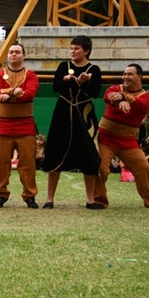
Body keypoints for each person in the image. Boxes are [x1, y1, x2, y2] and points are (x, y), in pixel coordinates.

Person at [93, 64, 149, 208]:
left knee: (144, 168)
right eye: (124, 73)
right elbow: (108, 97)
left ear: (139, 77)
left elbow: (141, 105)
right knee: (100, 168)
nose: (126, 76)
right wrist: (120, 100)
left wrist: (124, 97)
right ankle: (99, 200)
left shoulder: (147, 98)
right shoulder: (115, 88)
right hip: (105, 137)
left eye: (130, 74)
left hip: (128, 140)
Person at [42, 35, 102, 209]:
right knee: (55, 151)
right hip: (63, 112)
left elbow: (94, 93)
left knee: (89, 154)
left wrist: (82, 83)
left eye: (77, 48)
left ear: (86, 51)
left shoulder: (94, 69)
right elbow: (56, 87)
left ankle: (90, 200)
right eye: (71, 48)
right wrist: (67, 81)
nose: (73, 51)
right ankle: (49, 199)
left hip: (84, 115)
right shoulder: (64, 66)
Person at [0, 42, 40, 209]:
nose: (13, 55)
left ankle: (30, 195)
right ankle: (0, 194)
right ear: (7, 56)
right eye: (11, 52)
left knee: (28, 163)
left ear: (24, 56)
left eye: (17, 52)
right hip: (3, 125)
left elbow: (29, 93)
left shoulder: (31, 75)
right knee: (1, 162)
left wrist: (7, 93)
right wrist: (13, 92)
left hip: (25, 125)